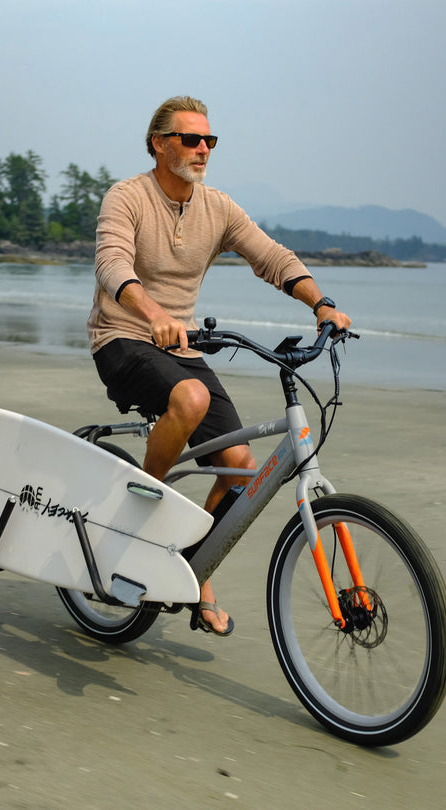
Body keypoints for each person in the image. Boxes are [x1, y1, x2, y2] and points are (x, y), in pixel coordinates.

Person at [87, 96, 352, 636]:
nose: (203, 149)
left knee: (239, 465)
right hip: (122, 337)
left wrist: (321, 304)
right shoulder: (128, 197)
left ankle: (193, 570)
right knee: (191, 398)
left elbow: (271, 257)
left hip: (180, 348)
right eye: (190, 139)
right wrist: (153, 311)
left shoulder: (217, 208)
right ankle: (139, 512)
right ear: (159, 144)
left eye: (210, 140)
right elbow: (111, 261)